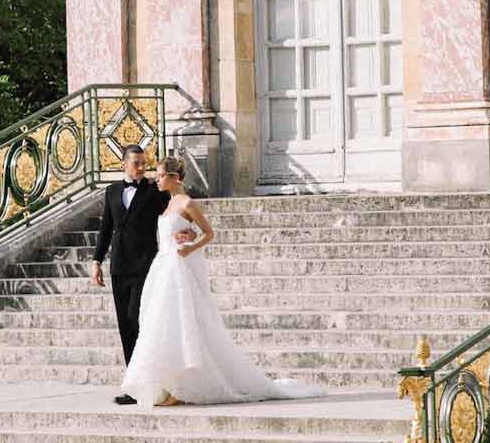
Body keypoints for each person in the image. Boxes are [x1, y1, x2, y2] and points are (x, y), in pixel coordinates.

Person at [120, 155, 328, 407]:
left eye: (161, 175)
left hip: (177, 267)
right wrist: (187, 233)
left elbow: (210, 233)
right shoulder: (167, 203)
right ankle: (169, 383)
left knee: (181, 323)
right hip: (162, 267)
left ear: (174, 178)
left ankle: (182, 387)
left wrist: (190, 246)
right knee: (161, 323)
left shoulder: (187, 202)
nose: (156, 180)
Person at [91, 144, 168, 404]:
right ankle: (134, 386)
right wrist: (96, 261)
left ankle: (149, 380)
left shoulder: (152, 191)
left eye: (143, 163)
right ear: (123, 164)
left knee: (137, 317)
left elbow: (173, 209)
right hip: (119, 266)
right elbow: (105, 229)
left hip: (146, 264)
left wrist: (185, 229)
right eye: (136, 163)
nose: (141, 167)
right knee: (125, 324)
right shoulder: (112, 191)